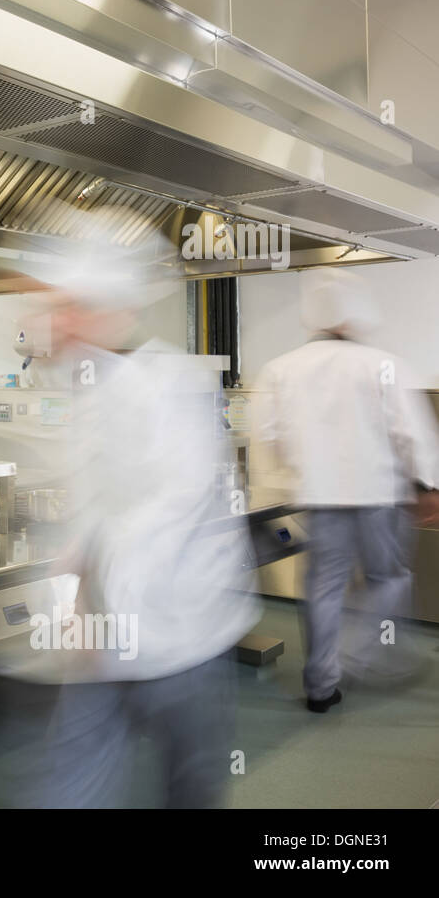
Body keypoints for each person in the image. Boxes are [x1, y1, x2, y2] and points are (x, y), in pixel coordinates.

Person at [26, 253, 259, 808]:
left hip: (185, 637)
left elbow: (171, 507)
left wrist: (100, 603)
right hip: (102, 645)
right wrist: (72, 607)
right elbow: (88, 518)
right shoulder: (87, 392)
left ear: (107, 313)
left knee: (191, 786)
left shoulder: (171, 386)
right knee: (68, 788)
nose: (56, 323)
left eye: (70, 309)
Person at [254, 267, 439, 713]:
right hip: (379, 496)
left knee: (323, 589)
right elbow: (410, 432)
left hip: (319, 497)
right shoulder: (381, 364)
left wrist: (298, 470)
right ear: (354, 317)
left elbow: (267, 432)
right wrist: (428, 485)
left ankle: (321, 684)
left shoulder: (281, 368)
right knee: (388, 578)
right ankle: (356, 655)